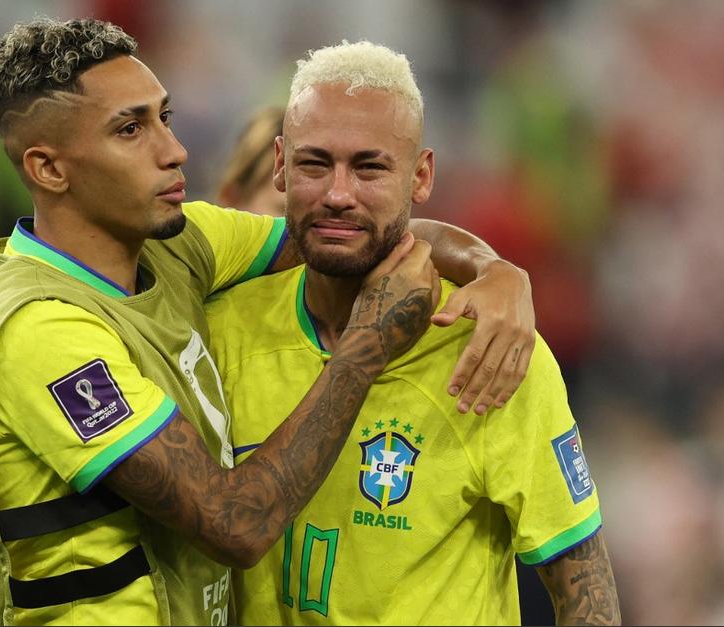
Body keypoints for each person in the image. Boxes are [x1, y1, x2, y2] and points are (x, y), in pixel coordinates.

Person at [0, 17, 534, 625]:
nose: (173, 150)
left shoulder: (178, 245)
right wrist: (365, 346)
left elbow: (345, 232)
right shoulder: (38, 327)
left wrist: (495, 271)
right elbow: (235, 524)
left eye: (164, 118)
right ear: (49, 169)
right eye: (130, 129)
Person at [207, 41, 621, 625]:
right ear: (279, 164)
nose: (338, 194)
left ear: (420, 176)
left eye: (370, 167)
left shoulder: (491, 347)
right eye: (314, 163)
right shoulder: (222, 328)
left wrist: (496, 270)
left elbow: (587, 597)